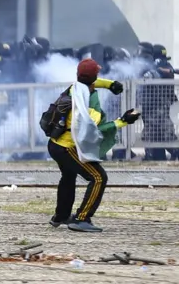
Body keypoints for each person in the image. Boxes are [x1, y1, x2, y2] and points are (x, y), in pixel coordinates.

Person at [47, 59, 138, 232]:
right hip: (67, 148)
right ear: (94, 76)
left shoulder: (76, 87)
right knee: (98, 177)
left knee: (68, 176)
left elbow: (91, 81)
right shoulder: (87, 103)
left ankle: (61, 216)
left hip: (54, 144)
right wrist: (123, 121)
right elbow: (94, 129)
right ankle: (82, 218)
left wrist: (110, 85)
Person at [140, 45, 179, 161]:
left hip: (161, 105)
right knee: (150, 135)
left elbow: (155, 75)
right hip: (151, 105)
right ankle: (151, 157)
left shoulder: (161, 66)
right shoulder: (162, 65)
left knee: (166, 136)